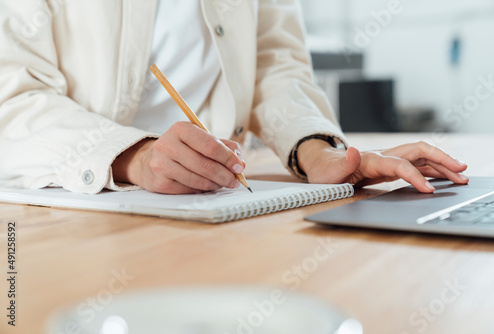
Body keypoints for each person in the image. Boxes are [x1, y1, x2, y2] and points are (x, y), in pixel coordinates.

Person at [0, 0, 468, 195]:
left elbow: (273, 60)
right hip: (79, 201)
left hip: (220, 195)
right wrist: (133, 156)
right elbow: (12, 98)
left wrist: (318, 152)